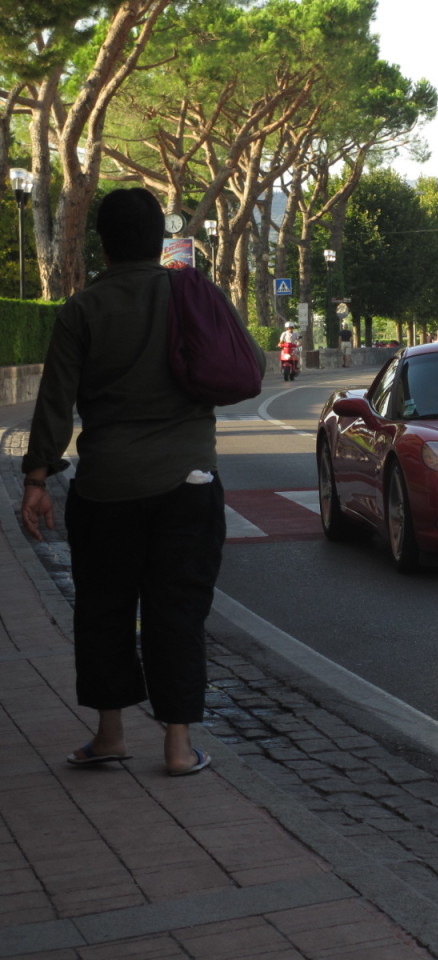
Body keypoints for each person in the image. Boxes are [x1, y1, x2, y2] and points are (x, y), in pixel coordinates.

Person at [19, 187, 265, 776]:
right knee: (176, 613)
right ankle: (179, 747)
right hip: (190, 482)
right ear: (161, 238)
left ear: (101, 242)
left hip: (108, 488)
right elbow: (250, 364)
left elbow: (55, 402)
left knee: (103, 610)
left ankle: (109, 735)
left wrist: (35, 480)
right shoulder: (191, 292)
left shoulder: (82, 309)